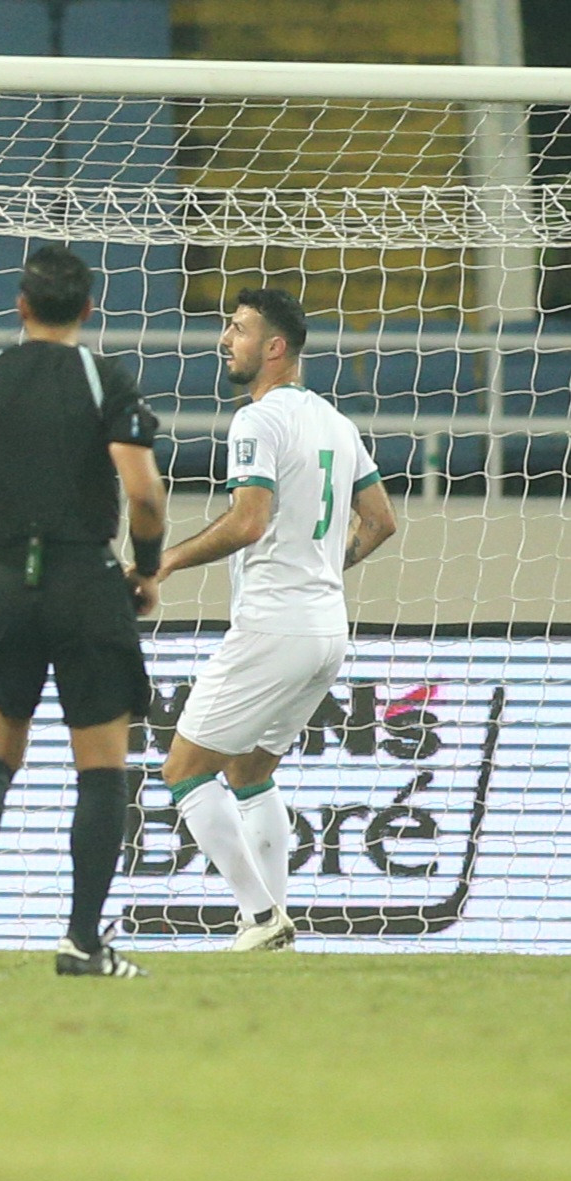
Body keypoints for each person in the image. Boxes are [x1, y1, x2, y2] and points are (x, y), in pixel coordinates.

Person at [0, 244, 167, 979]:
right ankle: (82, 940)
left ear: (21, 306)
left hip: (7, 581)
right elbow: (143, 494)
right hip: (85, 579)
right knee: (101, 767)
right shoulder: (102, 377)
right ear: (87, 309)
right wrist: (144, 569)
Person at [149, 288, 397, 951]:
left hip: (273, 623)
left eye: (238, 329)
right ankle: (272, 924)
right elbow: (382, 521)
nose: (225, 339)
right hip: (325, 629)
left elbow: (248, 520)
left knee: (184, 769)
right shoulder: (336, 423)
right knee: (250, 773)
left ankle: (259, 913)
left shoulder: (257, 421)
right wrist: (320, 567)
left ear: (275, 347)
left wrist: (168, 560)